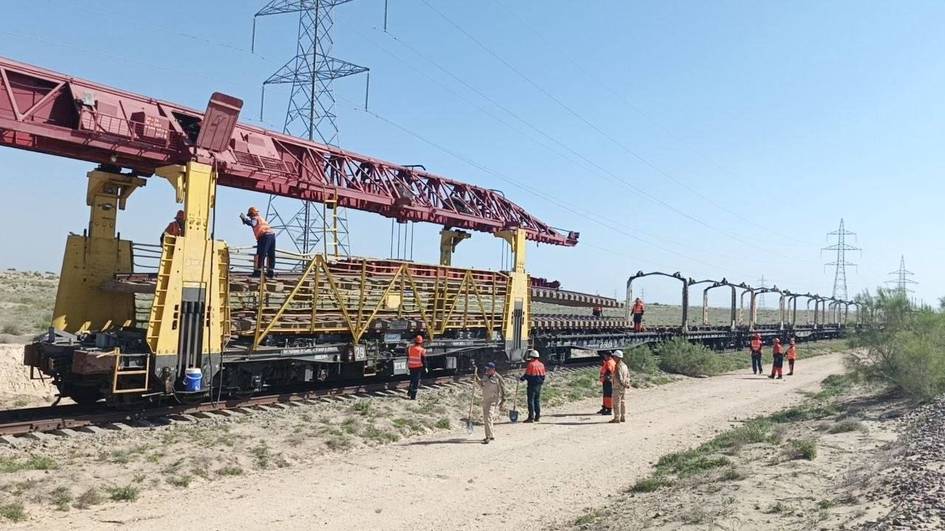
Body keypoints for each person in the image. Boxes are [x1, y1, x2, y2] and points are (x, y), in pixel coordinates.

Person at [239, 207, 276, 278]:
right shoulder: (261, 218)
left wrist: (245, 220)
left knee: (261, 254)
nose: (250, 216)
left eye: (250, 215)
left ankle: (258, 271)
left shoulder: (255, 218)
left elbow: (252, 223)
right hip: (271, 235)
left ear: (252, 214)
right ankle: (270, 271)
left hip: (264, 236)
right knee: (271, 254)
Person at [474, 362, 506, 444]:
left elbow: (503, 389)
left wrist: (503, 400)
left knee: (488, 416)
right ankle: (491, 435)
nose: (487, 370)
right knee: (487, 417)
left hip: (493, 400)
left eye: (488, 369)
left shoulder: (498, 378)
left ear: (493, 370)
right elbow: (482, 385)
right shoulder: (485, 376)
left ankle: (487, 436)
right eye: (486, 369)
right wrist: (477, 379)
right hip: (485, 400)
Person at [519, 350, 546, 423]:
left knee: (530, 401)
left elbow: (527, 375)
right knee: (537, 400)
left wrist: (521, 379)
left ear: (532, 357)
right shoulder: (541, 364)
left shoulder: (531, 364)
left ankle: (531, 417)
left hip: (532, 385)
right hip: (539, 385)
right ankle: (537, 417)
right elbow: (543, 376)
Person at [610, 350, 630, 423]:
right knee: (622, 402)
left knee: (616, 403)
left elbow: (619, 378)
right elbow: (628, 376)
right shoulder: (625, 366)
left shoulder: (617, 367)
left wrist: (623, 384)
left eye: (614, 356)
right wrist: (627, 384)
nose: (613, 358)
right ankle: (623, 417)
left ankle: (616, 418)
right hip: (623, 387)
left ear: (618, 357)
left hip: (617, 387)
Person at [406, 336, 426, 400]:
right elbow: (424, 360)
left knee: (412, 379)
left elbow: (408, 355)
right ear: (421, 342)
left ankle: (409, 392)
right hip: (418, 367)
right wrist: (425, 367)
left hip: (411, 366)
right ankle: (413, 397)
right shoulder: (422, 350)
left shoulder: (410, 348)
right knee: (416, 381)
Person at [598, 351, 616, 415]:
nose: (604, 356)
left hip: (608, 381)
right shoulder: (609, 361)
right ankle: (605, 407)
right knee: (606, 395)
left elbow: (609, 372)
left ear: (607, 355)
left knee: (608, 395)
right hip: (607, 381)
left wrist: (605, 377)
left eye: (604, 355)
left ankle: (609, 410)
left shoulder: (609, 362)